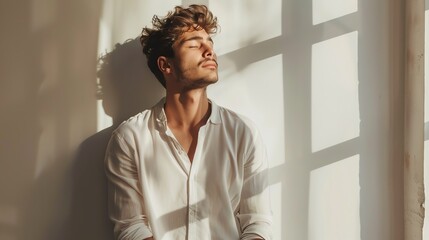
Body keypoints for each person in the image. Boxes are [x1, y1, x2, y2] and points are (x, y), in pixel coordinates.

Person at [105, 4, 272, 240]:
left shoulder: (243, 133)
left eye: (210, 44)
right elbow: (131, 227)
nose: (209, 51)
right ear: (166, 65)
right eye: (194, 44)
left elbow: (257, 223)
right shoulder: (130, 138)